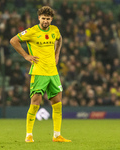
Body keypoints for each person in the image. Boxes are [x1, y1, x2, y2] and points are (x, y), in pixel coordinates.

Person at [10, 6, 71, 143]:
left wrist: (57, 54)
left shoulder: (55, 30)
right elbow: (13, 41)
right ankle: (29, 135)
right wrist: (26, 56)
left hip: (53, 72)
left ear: (51, 19)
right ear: (39, 18)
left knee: (57, 103)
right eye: (43, 18)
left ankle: (57, 135)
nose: (45, 21)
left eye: (48, 19)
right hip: (39, 72)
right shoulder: (32, 31)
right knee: (35, 103)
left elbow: (59, 40)